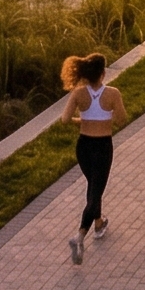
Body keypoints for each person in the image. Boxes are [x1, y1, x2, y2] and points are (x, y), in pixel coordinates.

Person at [61, 52, 125, 263]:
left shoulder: (78, 93)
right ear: (103, 73)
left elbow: (64, 120)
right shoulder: (113, 93)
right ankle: (79, 236)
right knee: (95, 192)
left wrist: (85, 120)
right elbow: (122, 120)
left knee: (94, 188)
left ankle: (98, 223)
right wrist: (106, 118)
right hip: (102, 147)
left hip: (83, 148)